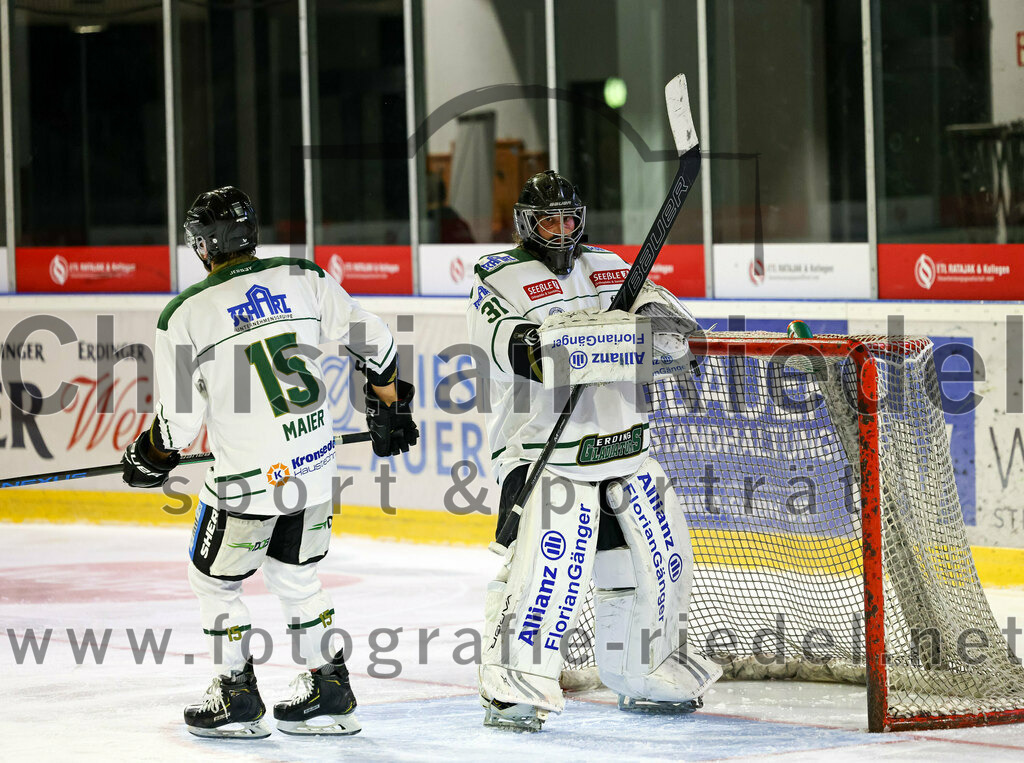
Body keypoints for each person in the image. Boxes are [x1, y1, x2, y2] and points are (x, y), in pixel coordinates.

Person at [121, 187, 418, 739]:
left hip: (247, 483)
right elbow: (374, 342)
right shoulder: (303, 277)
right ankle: (330, 690)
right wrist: (388, 403)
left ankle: (235, 695)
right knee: (297, 576)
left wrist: (150, 457)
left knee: (214, 583)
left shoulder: (185, 314)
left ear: (202, 246)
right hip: (313, 467)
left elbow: (180, 427)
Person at [466, 171, 721, 731]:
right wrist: (604, 337)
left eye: (568, 219)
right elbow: (527, 354)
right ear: (525, 225)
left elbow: (679, 338)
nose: (560, 232)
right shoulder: (497, 277)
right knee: (535, 579)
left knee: (650, 571)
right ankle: (510, 687)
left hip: (627, 450)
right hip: (545, 456)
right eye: (547, 222)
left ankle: (642, 671)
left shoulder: (609, 265)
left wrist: (628, 331)